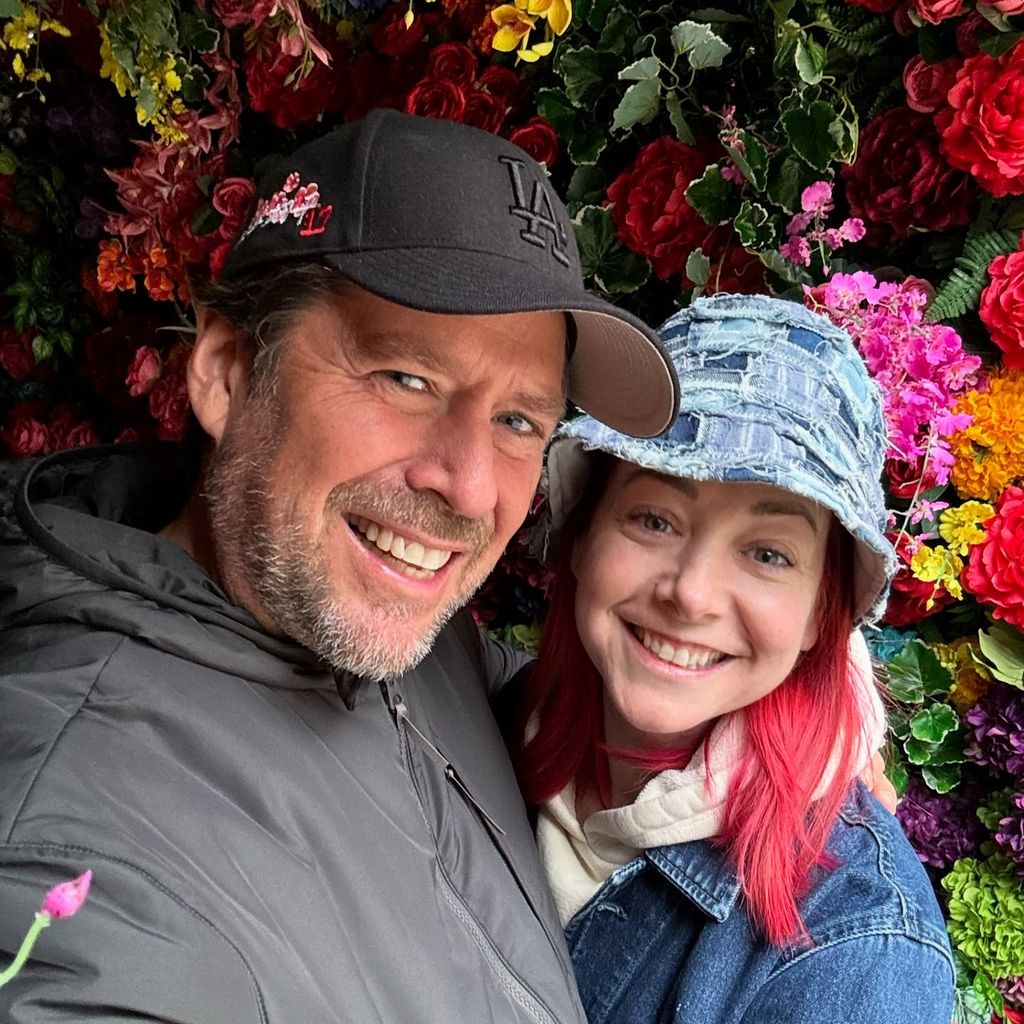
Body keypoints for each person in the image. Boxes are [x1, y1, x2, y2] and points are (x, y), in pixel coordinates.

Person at [0, 110, 681, 1022]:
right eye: (408, 379)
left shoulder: (397, 631)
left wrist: (772, 733)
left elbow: (560, 709)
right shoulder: (75, 856)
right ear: (227, 371)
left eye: (520, 420)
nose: (472, 489)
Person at [509, 295, 955, 1024]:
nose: (691, 594)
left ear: (821, 613)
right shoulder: (483, 723)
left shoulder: (860, 955)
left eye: (768, 553)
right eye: (655, 518)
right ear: (583, 534)